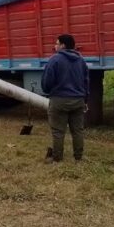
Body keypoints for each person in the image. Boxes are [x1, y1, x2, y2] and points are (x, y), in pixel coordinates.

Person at [41, 34, 89, 162]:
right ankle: (78, 158)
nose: (55, 46)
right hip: (78, 100)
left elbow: (47, 82)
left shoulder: (54, 60)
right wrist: (85, 99)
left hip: (59, 100)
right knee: (78, 131)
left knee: (58, 132)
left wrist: (48, 91)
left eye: (56, 43)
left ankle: (57, 158)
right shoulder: (81, 60)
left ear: (63, 45)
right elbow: (86, 81)